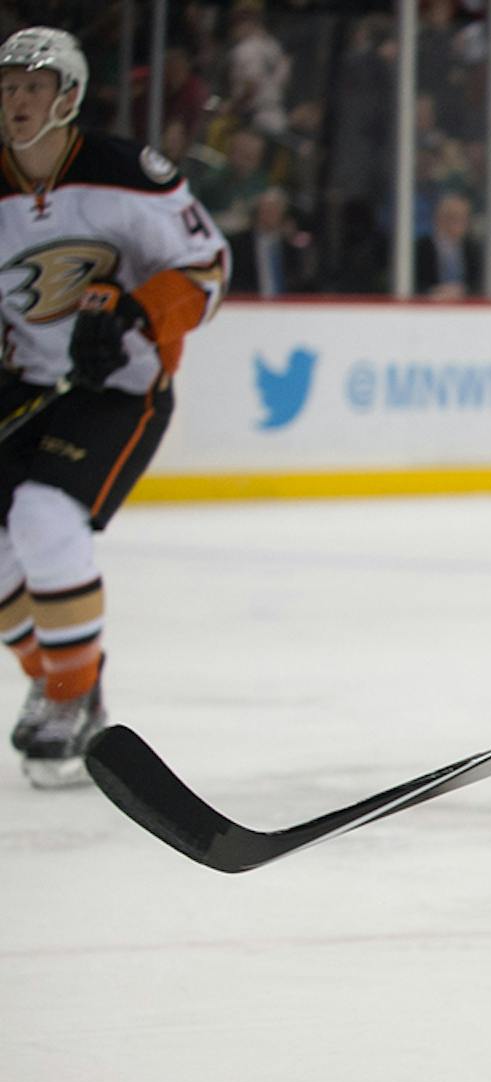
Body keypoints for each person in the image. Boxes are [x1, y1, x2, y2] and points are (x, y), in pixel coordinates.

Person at [0, 26, 228, 787]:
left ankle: (67, 693)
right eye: (7, 88)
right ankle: (65, 678)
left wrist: (134, 311)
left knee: (42, 516)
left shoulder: (127, 171)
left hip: (120, 386)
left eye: (32, 87)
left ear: (67, 95)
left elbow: (208, 269)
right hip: (24, 383)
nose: (17, 101)